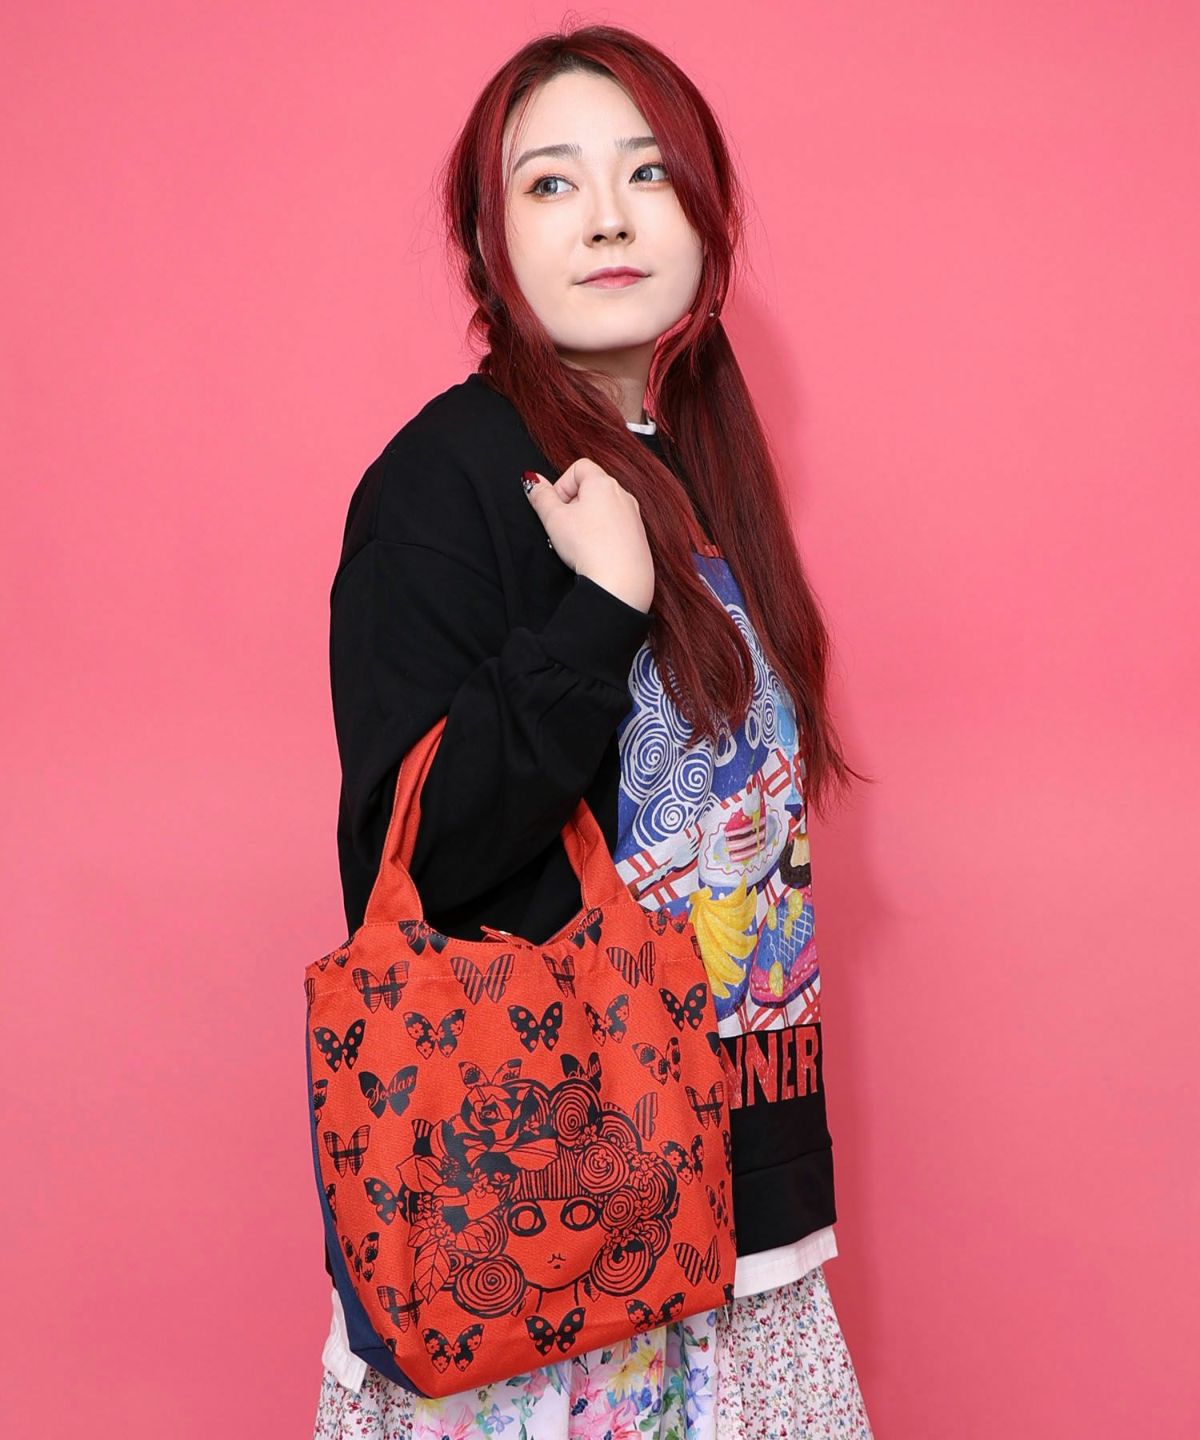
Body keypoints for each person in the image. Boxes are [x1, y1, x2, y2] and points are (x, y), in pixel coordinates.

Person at [312, 22, 874, 1440]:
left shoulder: (701, 469)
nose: (610, 218)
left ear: (706, 210)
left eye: (648, 173)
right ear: (488, 238)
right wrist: (600, 611)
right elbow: (412, 859)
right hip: (561, 1248)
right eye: (552, 182)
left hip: (738, 1219)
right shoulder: (444, 482)